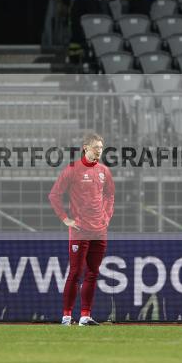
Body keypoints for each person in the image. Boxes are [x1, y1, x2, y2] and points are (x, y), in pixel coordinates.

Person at [48, 132, 115, 326]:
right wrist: (65, 219)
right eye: (96, 148)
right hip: (79, 230)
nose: (99, 151)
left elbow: (110, 196)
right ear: (86, 148)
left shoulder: (104, 171)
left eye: (101, 148)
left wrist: (106, 216)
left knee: (93, 272)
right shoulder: (72, 169)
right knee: (76, 272)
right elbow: (54, 195)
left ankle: (85, 316)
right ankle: (67, 316)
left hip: (99, 230)